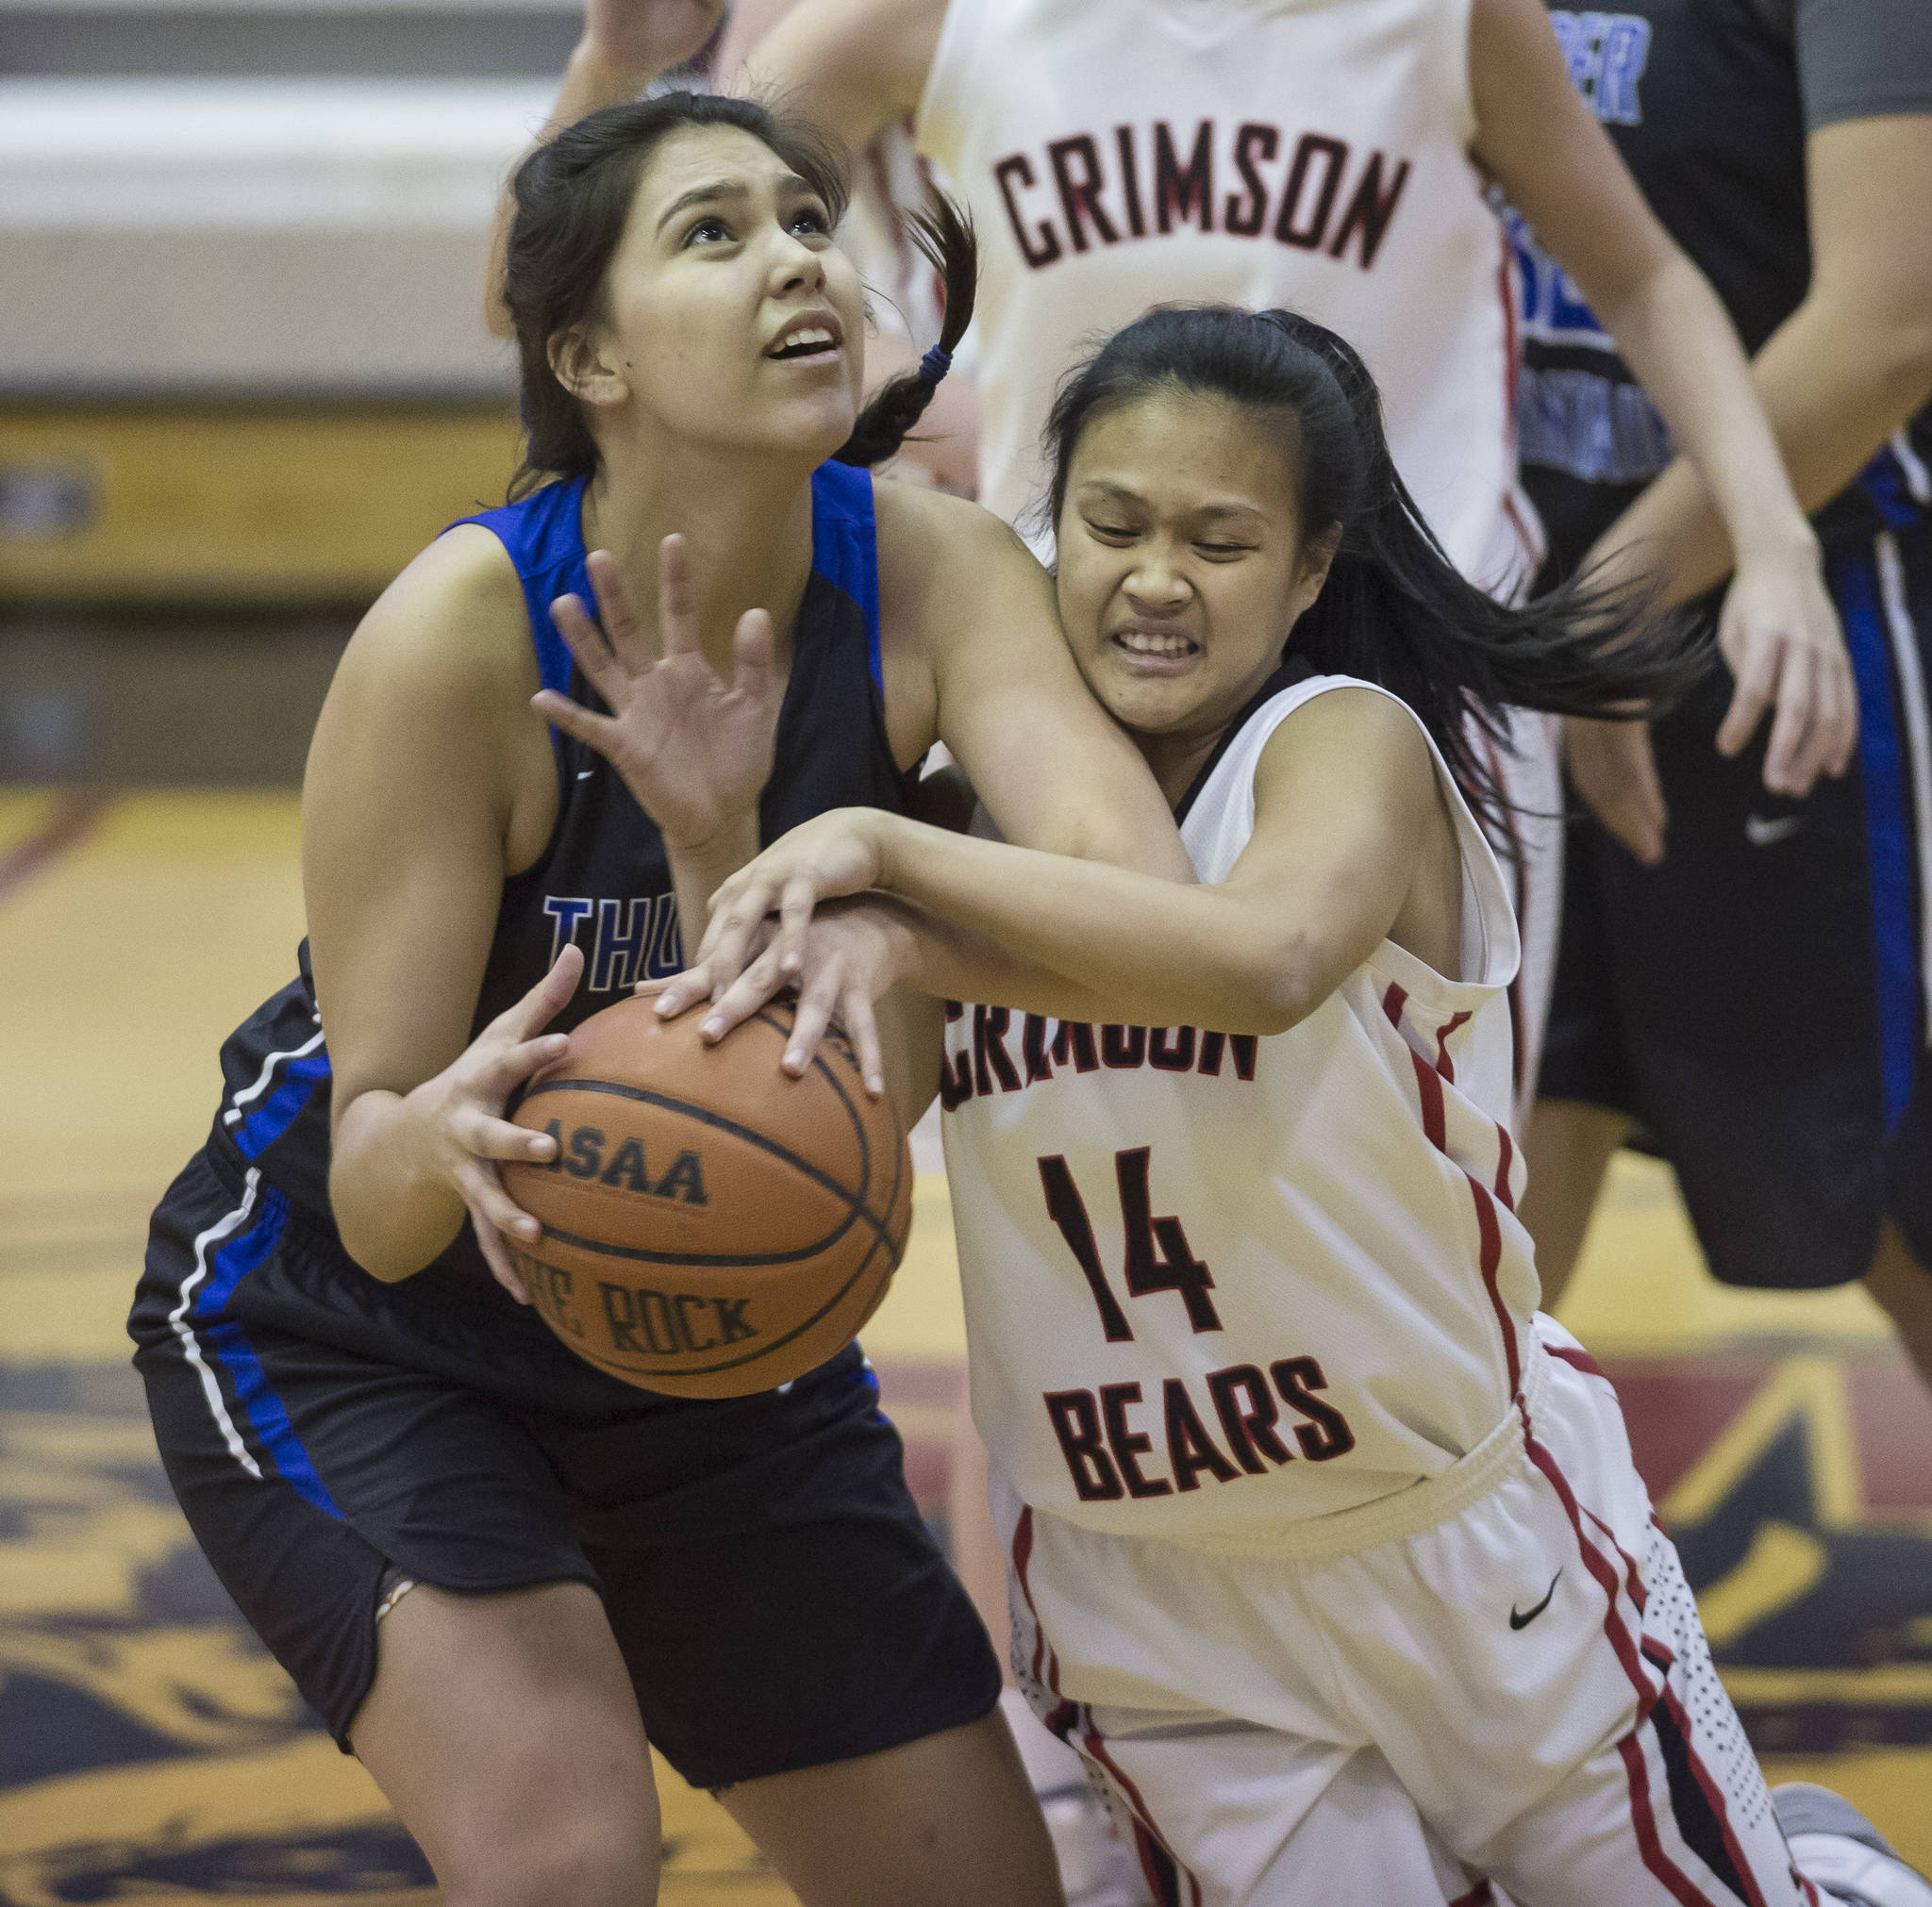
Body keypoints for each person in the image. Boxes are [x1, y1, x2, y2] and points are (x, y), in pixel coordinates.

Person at [656, 306, 1931, 1907]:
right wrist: (721, 840)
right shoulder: (975, 818)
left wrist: (888, 859)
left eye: (1222, 538)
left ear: (1313, 570)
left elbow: (1264, 962)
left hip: (1458, 1544)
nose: (1156, 576)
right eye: (1111, 524)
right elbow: (841, 1113)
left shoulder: (1341, 748)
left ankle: (1826, 1873)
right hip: (1154, 1593)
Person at [126, 89, 1206, 1907]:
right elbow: (386, 1187)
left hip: (706, 1336)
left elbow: (1144, 914)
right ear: (589, 356)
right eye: (713, 233)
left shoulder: (937, 574)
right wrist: (459, 1135)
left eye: (806, 216)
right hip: (357, 1330)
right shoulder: (461, 637)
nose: (795, 254)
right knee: (565, 1855)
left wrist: (798, 861)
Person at [520, 0, 1854, 1120]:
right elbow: (598, 262)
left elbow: (1641, 276)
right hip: (1081, 659)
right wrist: (620, 73)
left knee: (1434, 1176)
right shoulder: (941, 10)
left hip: (1393, 652)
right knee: (1069, 1201)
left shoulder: (1445, 12)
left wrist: (1776, 543)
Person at [1507, 0, 1932, 1383]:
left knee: (1891, 1209)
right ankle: (1457, 1597)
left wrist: (1612, 601)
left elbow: (1889, 327)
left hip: (1799, 628)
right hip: (1496, 631)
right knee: (1489, 1183)